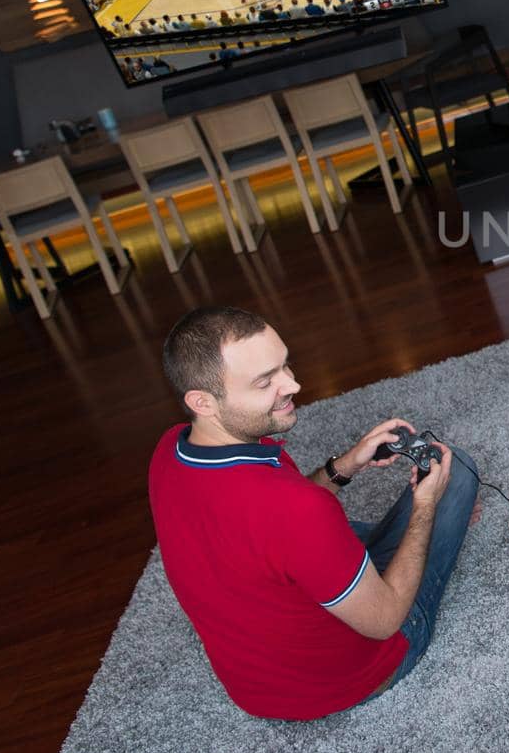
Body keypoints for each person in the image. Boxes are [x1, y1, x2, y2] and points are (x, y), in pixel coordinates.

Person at [148, 307, 481, 720]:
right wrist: (426, 507)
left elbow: (268, 529)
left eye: (284, 365)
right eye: (265, 381)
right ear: (202, 401)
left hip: (254, 689)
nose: (293, 384)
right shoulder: (296, 509)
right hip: (348, 680)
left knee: (314, 537)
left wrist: (345, 465)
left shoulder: (170, 450)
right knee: (459, 472)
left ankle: (360, 558)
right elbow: (384, 620)